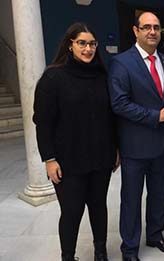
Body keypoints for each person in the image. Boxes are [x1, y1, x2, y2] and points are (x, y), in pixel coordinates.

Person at [33, 22, 118, 261]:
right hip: (68, 161)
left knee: (98, 206)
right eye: (82, 43)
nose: (88, 49)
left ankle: (100, 252)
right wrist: (49, 159)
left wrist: (116, 149)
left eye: (92, 43)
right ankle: (67, 257)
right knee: (71, 212)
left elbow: (111, 117)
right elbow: (43, 122)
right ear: (70, 45)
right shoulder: (53, 77)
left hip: (100, 156)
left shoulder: (102, 75)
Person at [108, 12, 164, 261]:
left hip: (162, 145)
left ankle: (155, 235)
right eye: (147, 27)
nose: (153, 32)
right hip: (134, 146)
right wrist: (155, 116)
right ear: (136, 31)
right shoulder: (121, 63)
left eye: (157, 28)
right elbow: (119, 103)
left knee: (159, 194)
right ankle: (129, 249)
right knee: (131, 200)